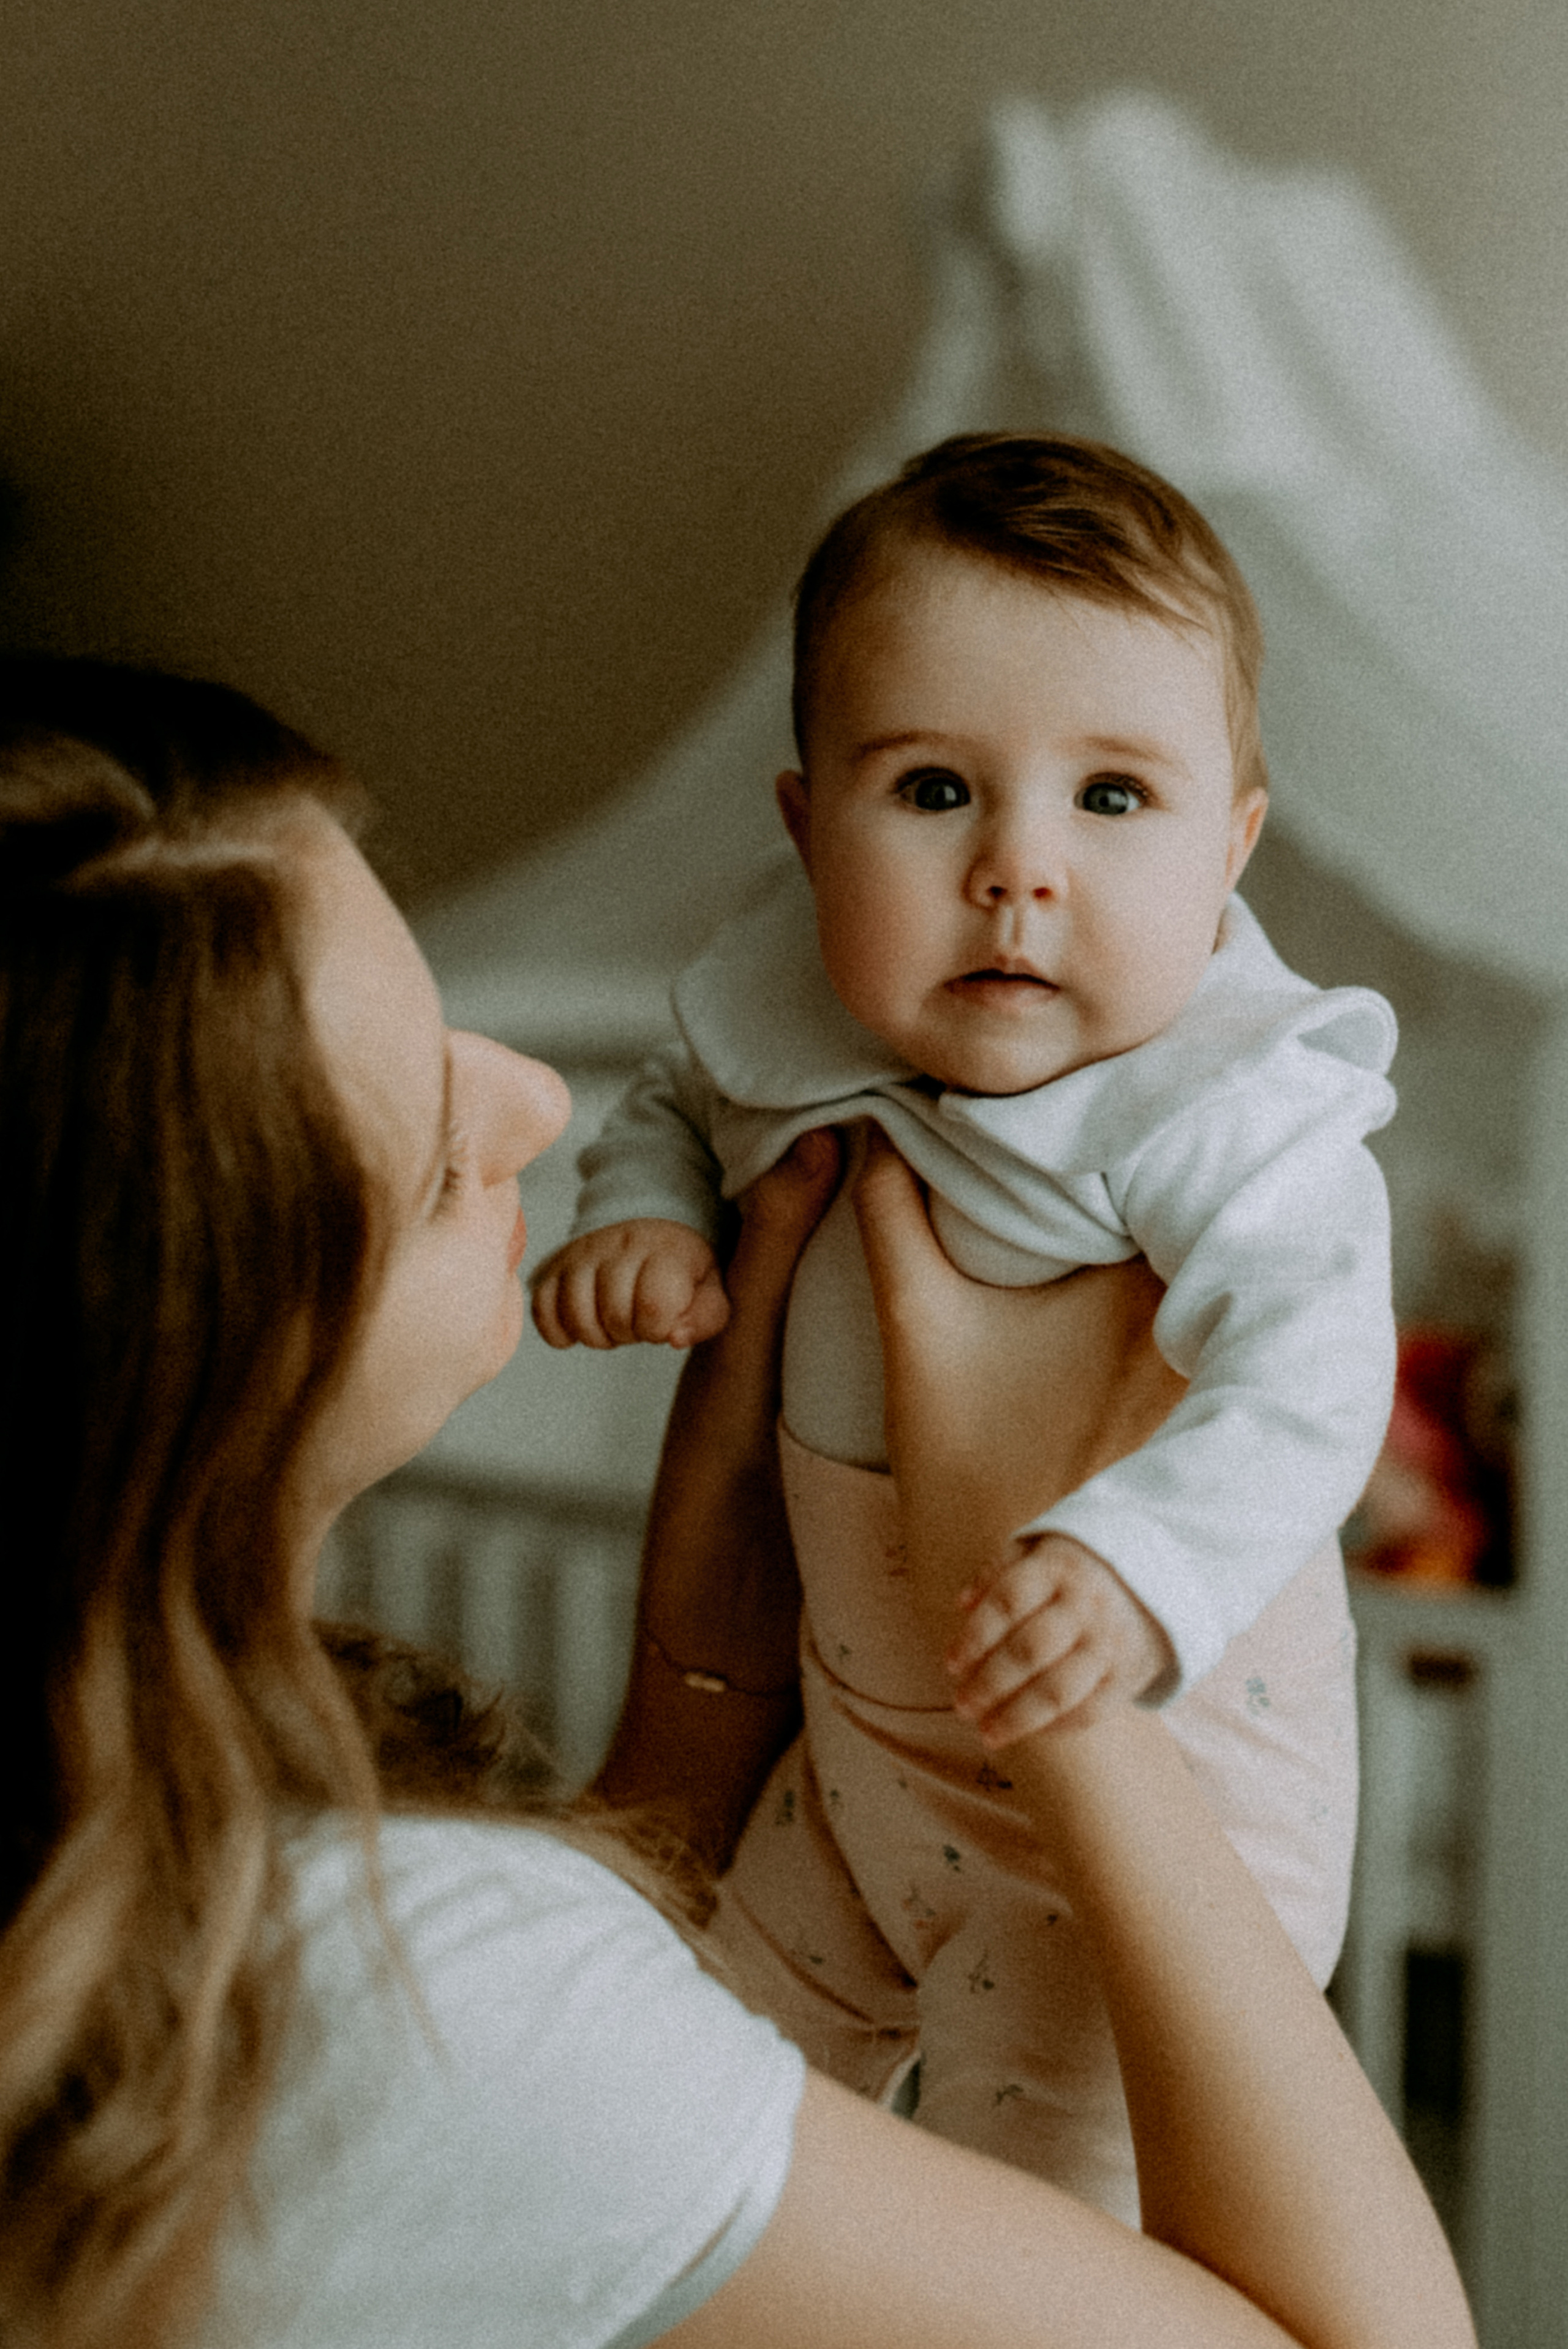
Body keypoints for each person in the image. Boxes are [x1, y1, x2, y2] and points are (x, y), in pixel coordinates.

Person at [0, 655, 1473, 2349]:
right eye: (432, 1162)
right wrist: (1054, 1673)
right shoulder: (362, 1988)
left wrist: (707, 1680)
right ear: (192, 1349)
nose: (541, 1101)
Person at [532, 433, 1395, 2210]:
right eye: (934, 792)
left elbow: (1313, 1375)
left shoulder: (1224, 1104)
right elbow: (677, 1106)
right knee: (666, 2114)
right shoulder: (792, 1009)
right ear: (804, 822)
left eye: (1111, 798)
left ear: (1233, 846)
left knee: (1035, 2224)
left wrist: (1137, 1559)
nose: (1017, 868)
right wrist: (637, 1215)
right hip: (850, 1783)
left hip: (1127, 1832)